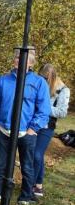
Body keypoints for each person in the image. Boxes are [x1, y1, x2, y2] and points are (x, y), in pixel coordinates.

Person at [0, 48, 50, 205]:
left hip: (26, 134)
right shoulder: (4, 81)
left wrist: (32, 129)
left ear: (31, 63)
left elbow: (44, 110)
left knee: (27, 167)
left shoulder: (38, 83)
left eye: (23, 59)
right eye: (16, 57)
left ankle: (24, 200)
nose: (19, 61)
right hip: (5, 131)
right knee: (0, 165)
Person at [32, 64, 70, 198]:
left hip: (47, 126)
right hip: (34, 123)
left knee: (36, 154)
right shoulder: (38, 83)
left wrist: (44, 107)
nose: (42, 79)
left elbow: (62, 112)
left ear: (52, 77)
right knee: (36, 154)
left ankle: (31, 183)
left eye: (45, 78)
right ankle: (38, 185)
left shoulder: (63, 90)